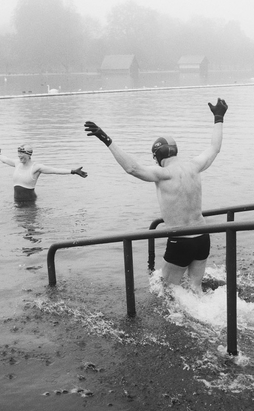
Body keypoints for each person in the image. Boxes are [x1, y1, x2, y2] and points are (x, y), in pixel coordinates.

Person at [84, 98, 227, 291]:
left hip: (181, 240)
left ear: (158, 156)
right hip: (202, 237)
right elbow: (214, 148)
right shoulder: (195, 166)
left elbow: (132, 168)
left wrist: (106, 139)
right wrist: (218, 118)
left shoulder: (163, 174)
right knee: (195, 286)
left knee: (167, 289)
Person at [0, 144, 88, 202]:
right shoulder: (17, 163)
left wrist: (73, 171)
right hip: (17, 200)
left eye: (21, 154)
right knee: (20, 227)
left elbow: (55, 170)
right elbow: (5, 160)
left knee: (29, 229)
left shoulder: (36, 167)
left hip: (29, 201)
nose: (19, 156)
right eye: (18, 153)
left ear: (28, 154)